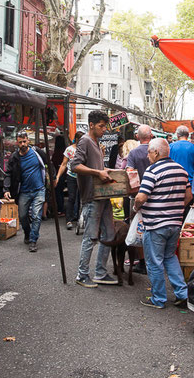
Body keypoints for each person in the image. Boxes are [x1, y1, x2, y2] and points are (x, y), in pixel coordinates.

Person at [134, 138, 191, 309]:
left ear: (156, 153)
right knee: (169, 257)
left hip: (156, 224)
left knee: (154, 262)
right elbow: (188, 196)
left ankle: (158, 299)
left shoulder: (152, 171)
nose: (147, 155)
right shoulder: (181, 170)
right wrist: (174, 209)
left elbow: (141, 197)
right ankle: (183, 294)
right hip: (175, 223)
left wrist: (137, 207)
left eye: (149, 152)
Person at [70, 110, 118, 287]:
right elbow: (75, 165)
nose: (104, 129)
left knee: (109, 234)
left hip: (103, 195)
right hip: (92, 196)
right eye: (101, 126)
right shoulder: (85, 140)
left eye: (105, 126)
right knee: (90, 237)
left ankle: (100, 273)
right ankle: (82, 275)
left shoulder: (96, 143)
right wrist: (97, 172)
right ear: (91, 125)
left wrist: (105, 170)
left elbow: (97, 167)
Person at [3, 132, 47, 252]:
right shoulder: (14, 157)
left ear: (28, 141)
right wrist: (6, 189)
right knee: (22, 216)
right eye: (20, 142)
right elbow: (9, 174)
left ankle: (33, 240)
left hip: (39, 189)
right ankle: (27, 233)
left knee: (36, 216)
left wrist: (52, 177)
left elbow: (48, 162)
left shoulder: (37, 152)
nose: (23, 144)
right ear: (17, 142)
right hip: (24, 191)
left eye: (24, 141)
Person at [126, 124, 153, 274]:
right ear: (151, 136)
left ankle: (142, 262)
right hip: (155, 195)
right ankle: (153, 260)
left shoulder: (134, 153)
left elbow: (130, 173)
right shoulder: (157, 151)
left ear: (137, 136)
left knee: (139, 229)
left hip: (138, 195)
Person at [55, 131, 84, 230]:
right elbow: (63, 164)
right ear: (75, 139)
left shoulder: (85, 149)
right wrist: (58, 176)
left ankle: (80, 218)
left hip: (82, 177)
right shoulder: (69, 149)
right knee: (71, 197)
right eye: (79, 140)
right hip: (71, 176)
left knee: (82, 199)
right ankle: (69, 219)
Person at [52, 135, 67, 217]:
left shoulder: (57, 153)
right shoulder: (64, 151)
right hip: (63, 174)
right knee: (60, 192)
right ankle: (61, 209)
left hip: (58, 174)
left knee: (58, 192)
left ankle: (60, 210)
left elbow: (54, 162)